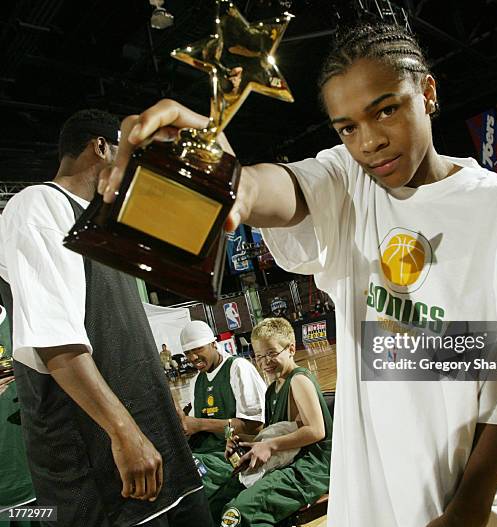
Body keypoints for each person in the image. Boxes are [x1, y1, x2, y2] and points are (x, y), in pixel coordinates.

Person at [101, 21, 497, 527]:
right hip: (376, 488)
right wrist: (225, 180)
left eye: (386, 109)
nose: (369, 141)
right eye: (347, 127)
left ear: (428, 93)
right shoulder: (350, 183)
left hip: (477, 492)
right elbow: (279, 189)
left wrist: (470, 507)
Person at [0, 109, 211, 526]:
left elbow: (125, 339)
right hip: (98, 458)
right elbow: (55, 341)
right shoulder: (37, 204)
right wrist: (123, 432)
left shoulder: (106, 227)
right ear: (101, 146)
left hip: (150, 437)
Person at [210, 318, 332, 526]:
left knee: (236, 515)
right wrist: (240, 441)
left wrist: (269, 445)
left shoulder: (299, 380)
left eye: (272, 353)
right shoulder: (271, 390)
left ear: (291, 349)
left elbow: (316, 430)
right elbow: (271, 433)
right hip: (285, 461)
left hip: (311, 467)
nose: (265, 361)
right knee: (214, 504)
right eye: (258, 356)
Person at [178, 320, 267, 498]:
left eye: (198, 349)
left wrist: (200, 424)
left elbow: (254, 426)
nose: (193, 357)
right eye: (188, 353)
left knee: (186, 474)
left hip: (233, 454)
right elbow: (193, 427)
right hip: (205, 453)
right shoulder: (196, 382)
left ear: (213, 344)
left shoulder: (237, 367)